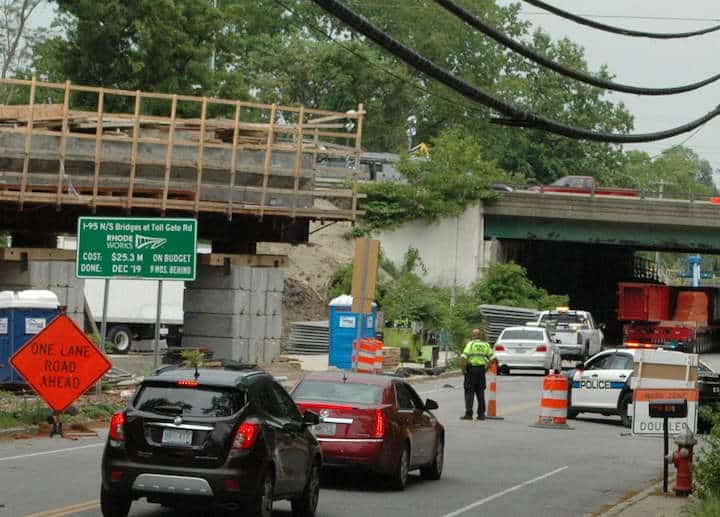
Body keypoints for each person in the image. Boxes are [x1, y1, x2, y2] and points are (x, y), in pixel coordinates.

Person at [460, 328, 494, 420]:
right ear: (480, 336)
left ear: (473, 336)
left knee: (469, 392)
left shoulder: (471, 344)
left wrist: (463, 370)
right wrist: (487, 369)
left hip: (471, 370)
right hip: (481, 370)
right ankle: (481, 414)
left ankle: (469, 414)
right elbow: (492, 358)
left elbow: (464, 357)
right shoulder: (486, 345)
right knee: (480, 392)